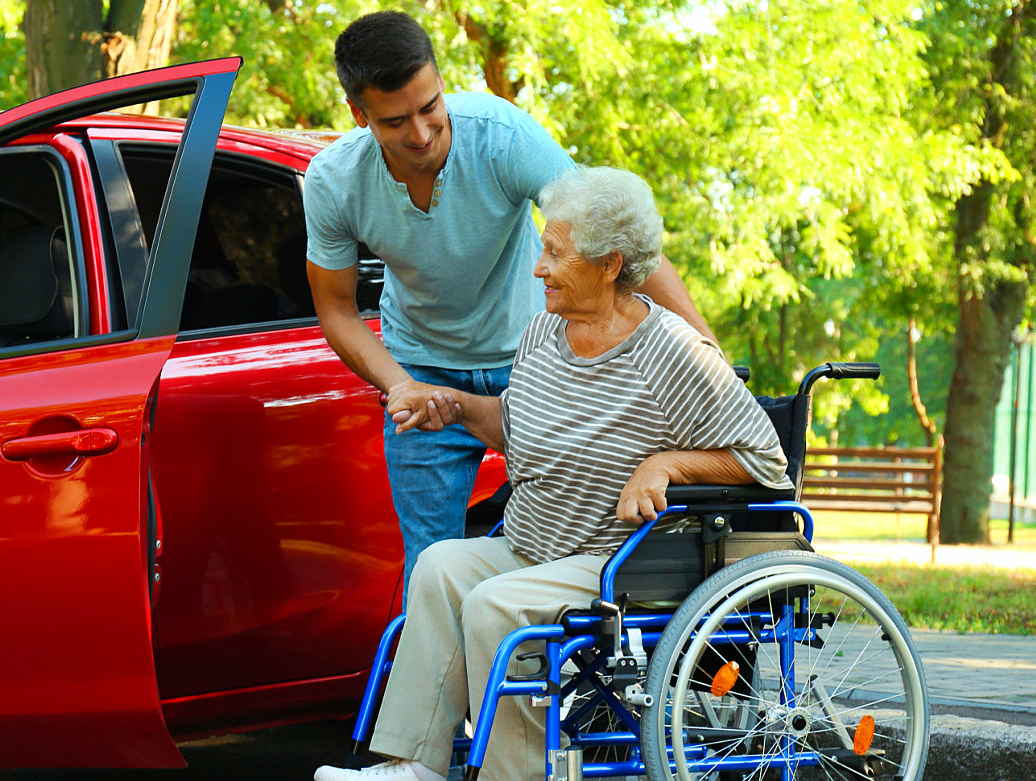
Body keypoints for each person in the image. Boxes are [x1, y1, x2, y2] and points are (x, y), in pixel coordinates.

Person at [313, 166, 792, 781]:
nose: (538, 268)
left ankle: (512, 774)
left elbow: (764, 463)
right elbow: (515, 428)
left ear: (611, 264)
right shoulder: (545, 331)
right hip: (532, 545)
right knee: (438, 567)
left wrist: (666, 463)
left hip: (613, 562)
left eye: (555, 254)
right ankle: (415, 766)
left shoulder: (672, 353)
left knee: (494, 604)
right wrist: (455, 406)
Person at [303, 10, 717, 591]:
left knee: (563, 545)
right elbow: (338, 311)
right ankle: (443, 680)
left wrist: (705, 349)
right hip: (421, 367)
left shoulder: (501, 137)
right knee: (429, 567)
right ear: (359, 114)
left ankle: (533, 675)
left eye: (430, 108)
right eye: (396, 121)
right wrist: (399, 384)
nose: (421, 134)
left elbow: (611, 238)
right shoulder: (334, 181)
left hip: (534, 364)